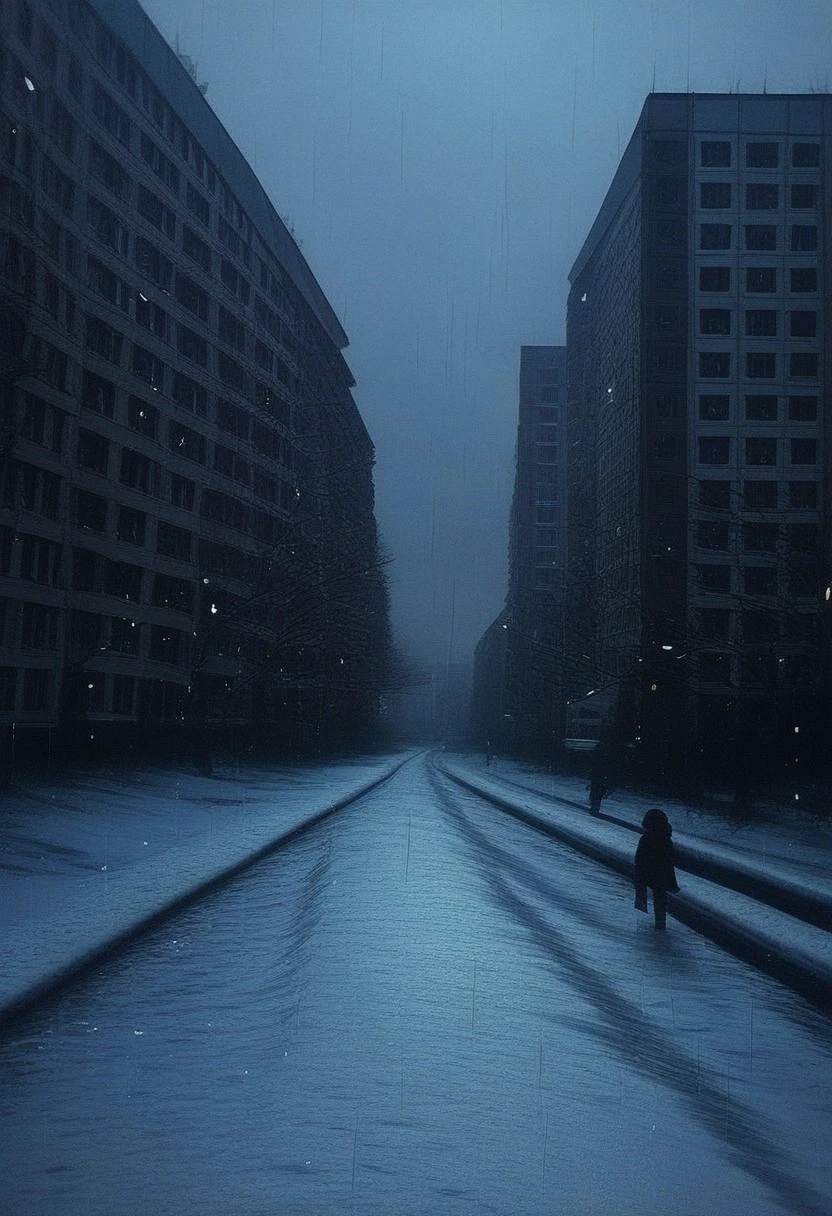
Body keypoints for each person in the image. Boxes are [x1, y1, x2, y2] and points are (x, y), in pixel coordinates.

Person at [634, 807, 679, 930]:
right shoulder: (666, 839)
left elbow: (639, 858)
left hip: (646, 872)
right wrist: (672, 882)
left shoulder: (646, 838)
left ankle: (641, 920)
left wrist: (638, 875)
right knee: (660, 900)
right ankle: (660, 923)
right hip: (662, 874)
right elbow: (669, 862)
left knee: (641, 897)